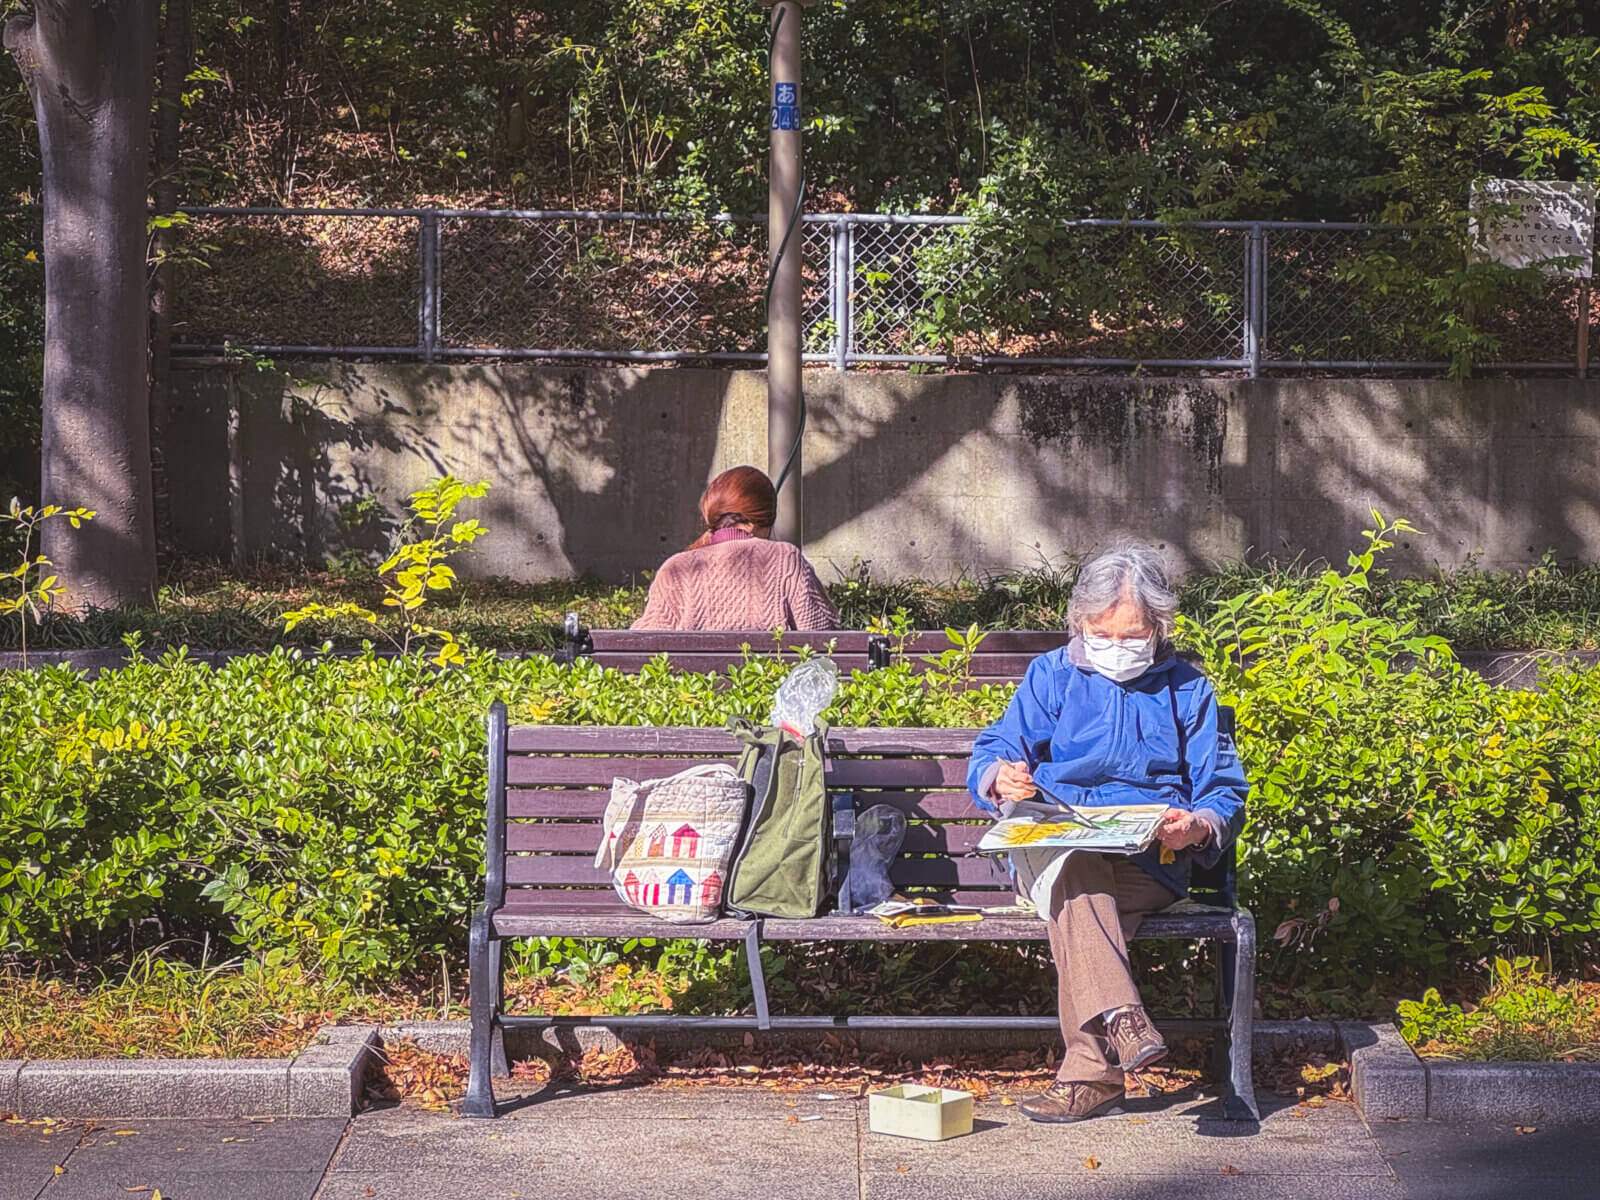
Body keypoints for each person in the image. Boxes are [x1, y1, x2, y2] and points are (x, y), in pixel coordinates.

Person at [966, 540, 1248, 1124]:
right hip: (1054, 850)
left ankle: (1094, 1071)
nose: (1116, 647)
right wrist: (1001, 777)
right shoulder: (1051, 675)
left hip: (1150, 863)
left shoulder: (1188, 689)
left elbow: (1223, 789)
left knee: (1079, 900)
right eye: (1104, 633)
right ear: (1080, 623)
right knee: (1076, 868)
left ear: (1158, 628)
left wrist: (1196, 826)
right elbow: (995, 747)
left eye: (1131, 635)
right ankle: (1121, 1020)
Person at [632, 466, 840, 631]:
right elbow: (822, 638)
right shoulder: (786, 559)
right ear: (766, 519)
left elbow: (646, 644)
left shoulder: (676, 567)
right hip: (771, 682)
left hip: (692, 684)